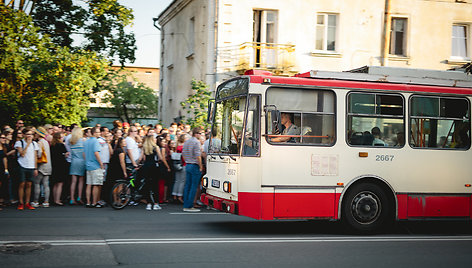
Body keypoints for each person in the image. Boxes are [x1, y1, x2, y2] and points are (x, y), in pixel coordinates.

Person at [15, 127, 39, 210]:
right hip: (22, 165)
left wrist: (35, 168)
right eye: (28, 134)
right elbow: (22, 154)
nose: (30, 136)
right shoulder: (19, 143)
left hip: (31, 166)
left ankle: (27, 202)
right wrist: (28, 144)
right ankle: (21, 203)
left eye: (31, 134)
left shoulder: (35, 144)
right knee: (22, 184)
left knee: (29, 184)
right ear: (24, 135)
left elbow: (35, 156)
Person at [181, 127, 203, 212]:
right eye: (200, 133)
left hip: (188, 164)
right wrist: (200, 166)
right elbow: (198, 156)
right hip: (194, 165)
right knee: (194, 186)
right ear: (196, 134)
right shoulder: (196, 142)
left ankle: (186, 204)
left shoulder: (187, 142)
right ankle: (189, 205)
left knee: (187, 185)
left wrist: (187, 160)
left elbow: (183, 153)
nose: (200, 135)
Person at [142, 136, 166, 211]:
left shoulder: (144, 147)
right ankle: (156, 203)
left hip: (146, 166)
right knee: (155, 185)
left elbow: (141, 158)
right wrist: (159, 161)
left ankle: (148, 204)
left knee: (147, 185)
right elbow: (160, 158)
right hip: (154, 166)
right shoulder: (156, 147)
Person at [84, 127, 105, 208]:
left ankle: (88, 202)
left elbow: (84, 154)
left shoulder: (86, 141)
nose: (99, 133)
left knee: (89, 184)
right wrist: (101, 164)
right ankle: (94, 202)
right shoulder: (95, 141)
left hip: (88, 165)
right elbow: (96, 153)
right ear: (94, 133)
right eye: (98, 132)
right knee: (96, 185)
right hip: (95, 165)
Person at [32, 127, 52, 208]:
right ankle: (46, 201)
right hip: (48, 165)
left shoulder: (39, 142)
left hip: (41, 166)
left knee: (37, 183)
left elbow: (39, 154)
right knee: (46, 184)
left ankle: (36, 201)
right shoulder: (46, 142)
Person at [50, 132, 68, 206]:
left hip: (54, 166)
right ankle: (57, 200)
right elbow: (64, 154)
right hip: (61, 166)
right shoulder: (61, 145)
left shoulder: (52, 145)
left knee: (55, 183)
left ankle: (54, 199)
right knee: (60, 184)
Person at [69, 127, 85, 205]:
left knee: (73, 182)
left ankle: (72, 198)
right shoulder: (83, 141)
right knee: (81, 181)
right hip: (81, 161)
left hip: (74, 161)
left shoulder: (71, 141)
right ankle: (79, 197)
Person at [171, 134, 188, 204]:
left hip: (177, 165)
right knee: (182, 181)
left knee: (177, 180)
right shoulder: (184, 147)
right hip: (183, 164)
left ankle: (174, 195)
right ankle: (179, 196)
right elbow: (184, 156)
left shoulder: (177, 146)